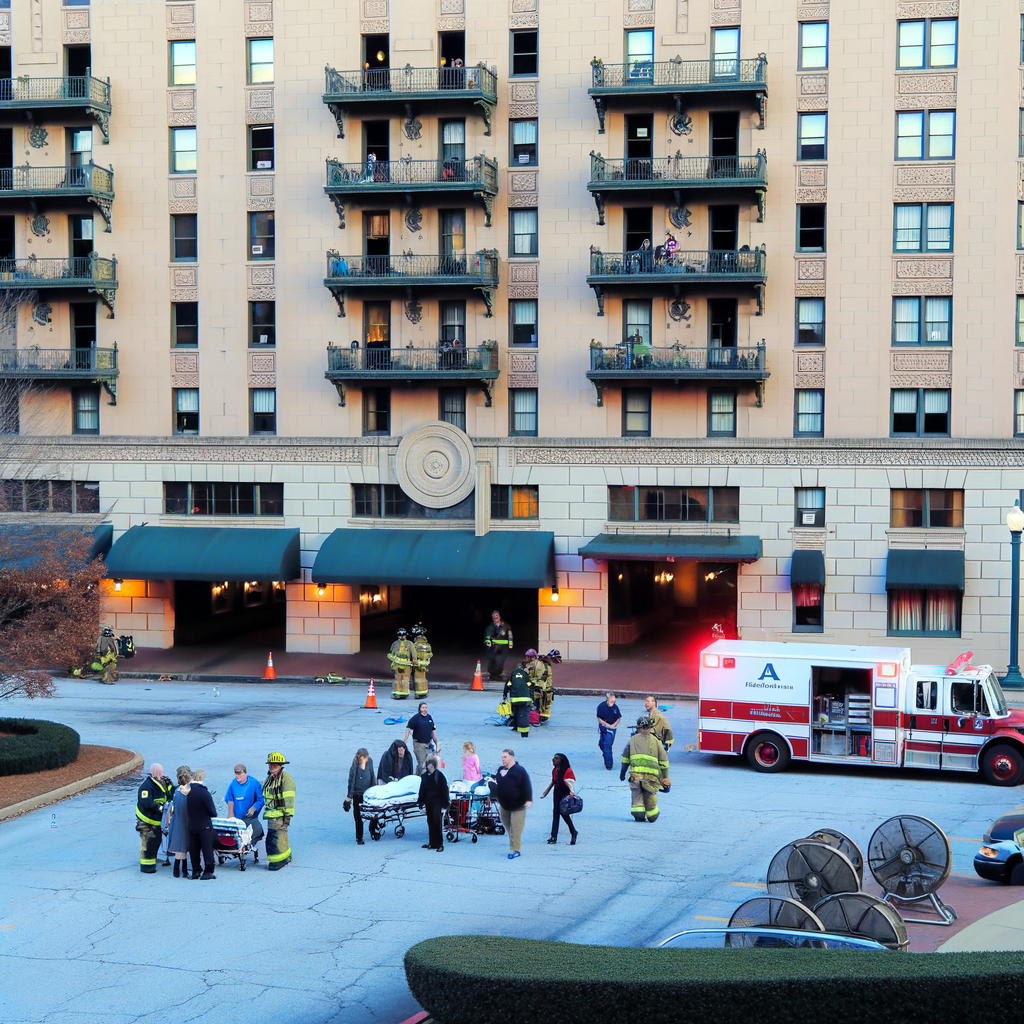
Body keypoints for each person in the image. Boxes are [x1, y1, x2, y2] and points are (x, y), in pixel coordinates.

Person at [620, 715, 670, 823]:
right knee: (650, 796)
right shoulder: (656, 741)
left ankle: (639, 815)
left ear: (638, 728)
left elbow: (625, 758)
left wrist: (622, 774)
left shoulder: (632, 740)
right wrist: (665, 777)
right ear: (651, 727)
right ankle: (652, 815)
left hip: (635, 777)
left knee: (636, 795)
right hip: (651, 778)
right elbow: (664, 762)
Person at [135, 762, 173, 874]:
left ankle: (153, 859)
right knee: (148, 843)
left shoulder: (164, 780)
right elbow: (145, 802)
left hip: (157, 819)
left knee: (156, 841)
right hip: (147, 819)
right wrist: (160, 807)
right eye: (158, 771)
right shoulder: (146, 786)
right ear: (153, 772)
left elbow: (170, 791)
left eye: (161, 771)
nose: (161, 773)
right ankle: (147, 866)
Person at [494, 748, 532, 860]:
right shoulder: (500, 770)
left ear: (512, 757)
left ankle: (515, 850)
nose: (503, 759)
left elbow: (526, 785)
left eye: (505, 757)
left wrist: (529, 799)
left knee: (516, 829)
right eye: (502, 757)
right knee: (509, 828)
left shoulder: (520, 770)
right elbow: (500, 784)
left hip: (518, 806)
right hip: (505, 806)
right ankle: (514, 846)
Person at [262, 751, 295, 871]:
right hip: (271, 814)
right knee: (280, 837)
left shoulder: (286, 778)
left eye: (275, 765)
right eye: (270, 764)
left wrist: (287, 816)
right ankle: (286, 857)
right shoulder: (269, 778)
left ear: (281, 765)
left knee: (274, 839)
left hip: (280, 814)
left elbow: (289, 798)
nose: (272, 767)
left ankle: (277, 861)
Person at [225, 763, 265, 859]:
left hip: (250, 817)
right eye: (237, 777)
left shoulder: (254, 783)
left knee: (257, 830)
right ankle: (234, 849)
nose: (239, 780)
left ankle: (248, 846)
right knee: (233, 835)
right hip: (237, 818)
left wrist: (254, 807)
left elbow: (261, 799)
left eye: (241, 777)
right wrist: (230, 813)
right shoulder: (233, 784)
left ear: (246, 773)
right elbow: (230, 799)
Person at [185, 769, 218, 880]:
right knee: (207, 848)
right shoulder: (204, 793)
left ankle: (196, 870)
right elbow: (213, 812)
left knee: (194, 848)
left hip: (191, 824)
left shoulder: (188, 792)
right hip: (204, 825)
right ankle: (208, 871)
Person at [541, 753, 578, 846]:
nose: (553, 760)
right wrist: (546, 792)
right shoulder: (555, 770)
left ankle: (573, 831)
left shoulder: (568, 771)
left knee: (564, 813)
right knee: (556, 813)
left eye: (556, 758)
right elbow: (553, 781)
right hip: (557, 792)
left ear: (561, 760)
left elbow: (570, 783)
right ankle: (554, 836)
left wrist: (571, 794)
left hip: (565, 793)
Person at [417, 753, 450, 852]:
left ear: (434, 765)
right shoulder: (424, 777)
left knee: (437, 823)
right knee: (430, 823)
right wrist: (421, 802)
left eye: (431, 764)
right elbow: (422, 790)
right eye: (428, 764)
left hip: (437, 803)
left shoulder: (439, 776)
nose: (429, 766)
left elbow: (444, 791)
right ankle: (432, 843)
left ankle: (439, 844)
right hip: (429, 803)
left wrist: (445, 805)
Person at [344, 748, 375, 845]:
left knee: (374, 813)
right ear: (359, 757)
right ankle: (359, 837)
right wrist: (349, 797)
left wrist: (374, 790)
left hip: (368, 792)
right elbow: (352, 782)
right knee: (358, 816)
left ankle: (373, 830)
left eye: (366, 758)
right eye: (363, 758)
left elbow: (372, 775)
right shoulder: (355, 766)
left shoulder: (370, 761)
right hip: (357, 793)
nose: (365, 760)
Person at [166, 765, 192, 878]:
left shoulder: (176, 791)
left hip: (177, 819)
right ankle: (184, 869)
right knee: (185, 843)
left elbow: (173, 806)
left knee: (178, 842)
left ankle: (176, 868)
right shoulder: (190, 790)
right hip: (187, 819)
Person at [404, 703, 440, 776]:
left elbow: (433, 732)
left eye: (426, 707)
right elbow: (408, 729)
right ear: (420, 709)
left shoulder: (429, 718)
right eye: (423, 707)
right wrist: (404, 742)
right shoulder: (416, 718)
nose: (424, 709)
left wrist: (437, 744)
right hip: (418, 744)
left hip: (428, 743)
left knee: (430, 762)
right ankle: (421, 780)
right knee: (422, 764)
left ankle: (418, 776)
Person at [503, 660, 532, 738]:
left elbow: (507, 685)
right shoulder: (525, 675)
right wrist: (531, 696)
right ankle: (524, 732)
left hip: (515, 699)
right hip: (525, 698)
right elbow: (530, 685)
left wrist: (505, 695)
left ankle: (515, 727)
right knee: (524, 714)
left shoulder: (512, 675)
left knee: (516, 713)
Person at [525, 649, 554, 724]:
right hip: (544, 688)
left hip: (540, 688)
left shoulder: (537, 665)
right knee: (542, 705)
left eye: (528, 657)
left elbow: (539, 678)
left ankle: (538, 718)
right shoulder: (538, 664)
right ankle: (539, 717)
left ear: (533, 657)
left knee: (540, 704)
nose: (526, 659)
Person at [483, 610, 513, 680]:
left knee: (500, 661)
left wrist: (510, 643)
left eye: (496, 616)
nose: (495, 617)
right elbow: (487, 635)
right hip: (493, 647)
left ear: (499, 616)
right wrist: (488, 642)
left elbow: (510, 635)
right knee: (492, 660)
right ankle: (493, 674)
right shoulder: (490, 627)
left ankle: (497, 674)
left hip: (503, 647)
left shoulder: (506, 626)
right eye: (493, 616)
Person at [597, 691, 622, 770]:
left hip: (612, 728)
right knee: (602, 744)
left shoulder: (615, 707)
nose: (613, 703)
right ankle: (605, 753)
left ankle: (609, 764)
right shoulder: (601, 706)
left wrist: (614, 725)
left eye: (614, 701)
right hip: (604, 727)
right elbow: (599, 719)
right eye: (611, 701)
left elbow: (619, 717)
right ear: (607, 699)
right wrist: (608, 725)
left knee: (607, 745)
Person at [388, 628, 416, 699]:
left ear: (406, 635)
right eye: (400, 635)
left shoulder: (410, 643)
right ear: (398, 636)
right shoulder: (395, 644)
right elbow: (390, 653)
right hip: (397, 664)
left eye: (403, 635)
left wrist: (414, 661)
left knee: (406, 678)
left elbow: (413, 653)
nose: (402, 637)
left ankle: (405, 692)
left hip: (406, 664)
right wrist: (394, 659)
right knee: (398, 679)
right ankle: (397, 692)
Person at [411, 624, 432, 700]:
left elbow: (412, 654)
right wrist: (427, 660)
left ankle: (418, 693)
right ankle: (423, 693)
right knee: (423, 678)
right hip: (424, 664)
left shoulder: (414, 645)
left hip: (417, 664)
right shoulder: (427, 644)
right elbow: (430, 654)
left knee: (417, 679)